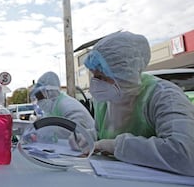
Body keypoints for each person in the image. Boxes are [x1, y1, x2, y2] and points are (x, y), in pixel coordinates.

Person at [84, 31, 194, 176]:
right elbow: (102, 134)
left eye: (101, 76)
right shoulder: (106, 101)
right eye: (93, 76)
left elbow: (185, 154)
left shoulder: (164, 96)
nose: (95, 84)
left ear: (124, 73)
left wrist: (116, 146)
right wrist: (87, 138)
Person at [29, 71, 97, 142]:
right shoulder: (53, 106)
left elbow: (78, 131)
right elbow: (46, 121)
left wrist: (49, 132)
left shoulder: (67, 105)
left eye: (39, 97)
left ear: (49, 93)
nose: (39, 101)